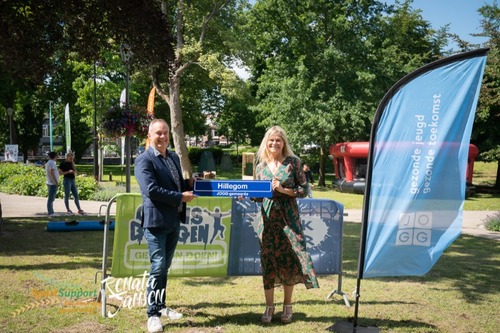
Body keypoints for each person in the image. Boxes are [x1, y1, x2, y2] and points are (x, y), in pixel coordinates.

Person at [134, 119, 197, 333]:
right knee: (158, 267)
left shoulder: (173, 157)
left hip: (173, 220)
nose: (162, 136)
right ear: (150, 136)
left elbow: (176, 183)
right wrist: (181, 196)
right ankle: (152, 315)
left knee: (164, 268)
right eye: (158, 133)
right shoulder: (144, 160)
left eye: (165, 133)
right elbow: (151, 190)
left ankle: (160, 306)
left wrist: (190, 184)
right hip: (155, 222)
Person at [253, 125, 319, 324]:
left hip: (289, 219)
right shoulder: (260, 166)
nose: (274, 143)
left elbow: (304, 189)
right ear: (266, 142)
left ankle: (287, 306)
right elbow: (259, 195)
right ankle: (269, 307)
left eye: (278, 140)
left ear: (284, 143)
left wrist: (283, 190)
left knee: (289, 261)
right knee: (268, 262)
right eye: (271, 140)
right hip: (267, 221)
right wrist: (248, 195)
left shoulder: (293, 162)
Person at [45, 151, 59, 217]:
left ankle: (51, 211)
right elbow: (52, 172)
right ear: (54, 156)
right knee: (51, 198)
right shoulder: (52, 163)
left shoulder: (49, 162)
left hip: (49, 182)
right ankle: (50, 212)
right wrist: (56, 181)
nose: (57, 157)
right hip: (52, 183)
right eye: (56, 156)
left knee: (51, 198)